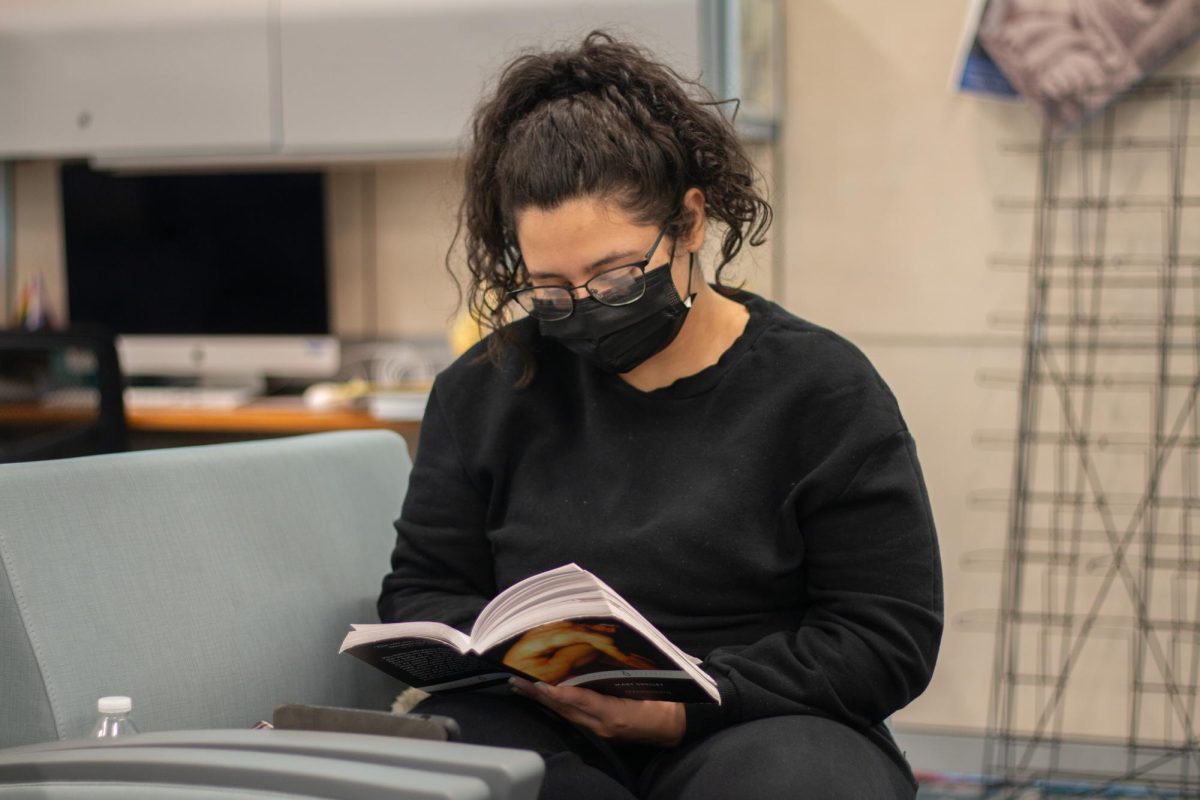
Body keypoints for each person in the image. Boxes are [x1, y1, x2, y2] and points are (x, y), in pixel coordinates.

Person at [378, 31, 943, 800]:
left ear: (689, 224)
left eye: (613, 277)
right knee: (440, 770)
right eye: (549, 291)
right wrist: (513, 659)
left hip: (759, 722)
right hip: (539, 720)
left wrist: (689, 708)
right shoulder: (485, 390)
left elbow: (885, 637)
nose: (582, 311)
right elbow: (422, 592)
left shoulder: (822, 391)